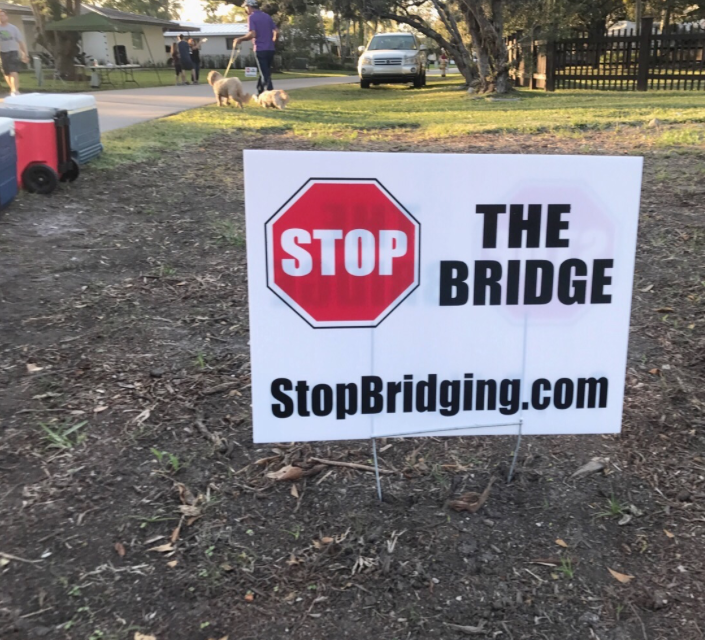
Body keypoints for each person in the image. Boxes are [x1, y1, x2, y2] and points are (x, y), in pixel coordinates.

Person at [233, 0, 278, 96]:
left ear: (249, 7)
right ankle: (259, 93)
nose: (246, 10)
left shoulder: (251, 17)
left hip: (260, 49)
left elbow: (253, 34)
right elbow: (276, 31)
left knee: (265, 74)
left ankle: (272, 96)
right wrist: (273, 40)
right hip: (270, 49)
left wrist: (240, 39)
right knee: (265, 71)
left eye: (245, 8)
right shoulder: (267, 16)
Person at [0, 9, 29, 96]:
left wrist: (24, 53)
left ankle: (15, 90)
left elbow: (20, 41)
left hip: (13, 51)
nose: (1, 17)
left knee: (14, 71)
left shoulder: (13, 28)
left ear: (7, 16)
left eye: (3, 15)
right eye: (0, 15)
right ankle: (12, 88)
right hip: (2, 53)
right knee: (6, 73)